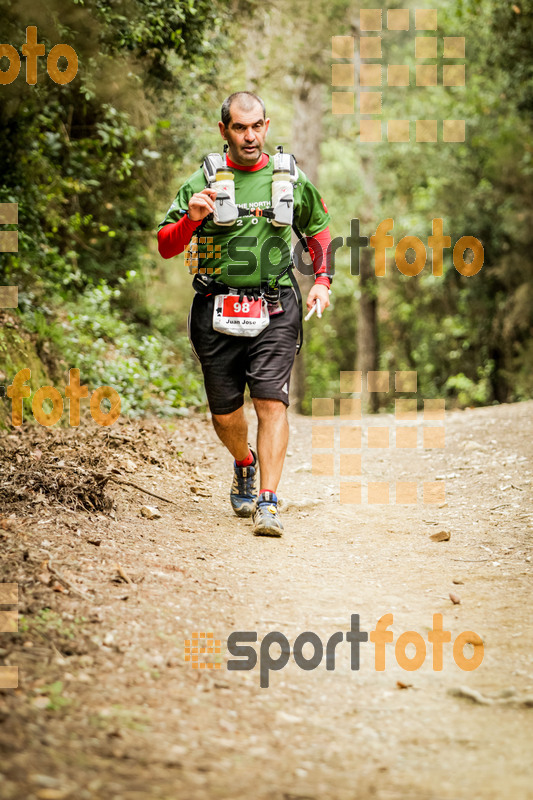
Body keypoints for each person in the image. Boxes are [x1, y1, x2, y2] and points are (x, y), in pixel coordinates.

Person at [158, 91, 332, 536]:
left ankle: (268, 502)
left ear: (266, 127)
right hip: (215, 306)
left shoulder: (289, 178)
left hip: (275, 305)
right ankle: (244, 462)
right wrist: (193, 218)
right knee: (225, 416)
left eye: (256, 126)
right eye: (239, 127)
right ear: (224, 131)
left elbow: (318, 229)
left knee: (270, 402)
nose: (249, 136)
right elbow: (165, 244)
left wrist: (323, 281)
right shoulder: (204, 178)